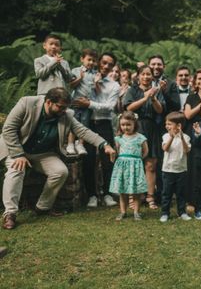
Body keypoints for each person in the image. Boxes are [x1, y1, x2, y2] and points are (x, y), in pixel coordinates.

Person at [1, 88, 116, 229]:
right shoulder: (27, 103)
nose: (63, 111)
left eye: (66, 107)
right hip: (17, 149)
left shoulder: (65, 114)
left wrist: (104, 144)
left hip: (42, 153)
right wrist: (18, 154)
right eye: (60, 107)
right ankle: (10, 213)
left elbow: (83, 131)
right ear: (49, 102)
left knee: (60, 171)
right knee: (16, 170)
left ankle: (42, 208)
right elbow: (8, 129)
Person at [73, 52, 120, 208]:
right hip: (87, 124)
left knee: (108, 159)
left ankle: (107, 193)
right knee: (89, 159)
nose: (106, 66)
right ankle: (92, 195)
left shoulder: (114, 85)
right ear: (98, 62)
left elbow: (109, 107)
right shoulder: (85, 77)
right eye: (104, 62)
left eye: (110, 64)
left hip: (104, 123)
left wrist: (89, 104)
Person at [122, 65, 165, 209]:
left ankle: (150, 197)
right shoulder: (132, 90)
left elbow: (160, 110)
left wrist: (152, 98)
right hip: (135, 128)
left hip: (152, 128)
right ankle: (133, 197)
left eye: (149, 74)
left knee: (150, 165)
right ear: (138, 76)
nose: (146, 77)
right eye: (143, 74)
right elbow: (128, 107)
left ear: (152, 76)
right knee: (133, 164)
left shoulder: (156, 91)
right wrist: (145, 98)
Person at [109, 111, 148, 221]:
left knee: (136, 191)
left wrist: (138, 160)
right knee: (123, 191)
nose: (125, 127)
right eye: (123, 125)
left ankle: (136, 212)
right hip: (122, 166)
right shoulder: (119, 138)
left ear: (134, 124)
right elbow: (117, 151)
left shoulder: (140, 137)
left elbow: (145, 151)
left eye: (128, 125)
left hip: (135, 165)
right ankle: (123, 212)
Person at [160, 112, 191, 222]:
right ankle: (165, 213)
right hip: (168, 170)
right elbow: (165, 148)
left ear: (178, 126)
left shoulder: (186, 137)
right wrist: (172, 138)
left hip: (181, 170)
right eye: (166, 124)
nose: (167, 126)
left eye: (169, 124)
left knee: (181, 193)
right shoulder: (166, 136)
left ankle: (182, 212)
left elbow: (187, 150)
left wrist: (181, 138)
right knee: (166, 193)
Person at [66, 48, 98, 155]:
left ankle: (80, 144)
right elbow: (71, 85)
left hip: (87, 104)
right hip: (75, 102)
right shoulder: (75, 70)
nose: (91, 62)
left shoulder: (96, 74)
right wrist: (80, 77)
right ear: (82, 59)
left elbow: (96, 90)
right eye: (89, 60)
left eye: (93, 60)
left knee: (85, 124)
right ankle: (70, 144)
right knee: (74, 123)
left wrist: (97, 82)